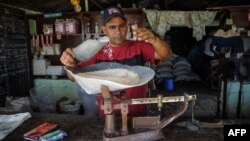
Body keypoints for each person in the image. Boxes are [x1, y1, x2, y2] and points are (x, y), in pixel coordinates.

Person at [60, 6, 172, 116]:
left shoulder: (139, 46)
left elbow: (166, 55)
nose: (118, 31)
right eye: (112, 27)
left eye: (121, 26)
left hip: (136, 112)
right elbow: (74, 78)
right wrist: (70, 65)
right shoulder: (95, 50)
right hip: (107, 114)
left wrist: (154, 40)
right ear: (104, 29)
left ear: (127, 27)